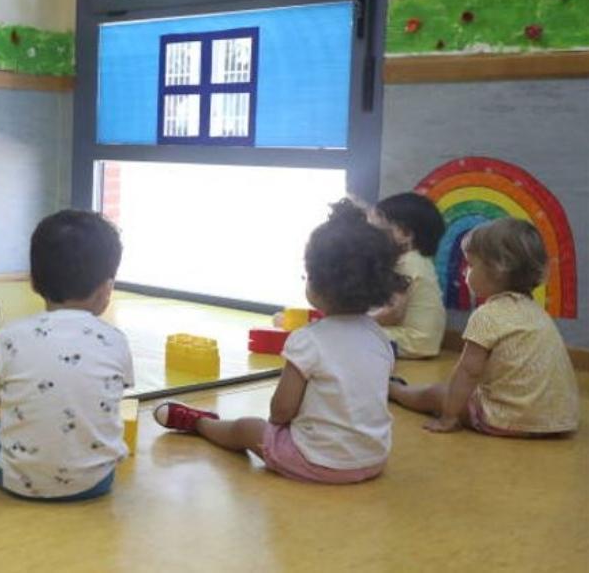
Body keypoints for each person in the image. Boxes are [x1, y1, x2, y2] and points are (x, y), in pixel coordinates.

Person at [154, 200, 405, 484]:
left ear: (317, 284)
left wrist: (283, 429)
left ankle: (200, 423)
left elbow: (281, 411)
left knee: (248, 428)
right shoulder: (379, 337)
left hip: (318, 462)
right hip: (372, 460)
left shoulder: (309, 340)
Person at [0, 209, 133, 500]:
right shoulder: (117, 340)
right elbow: (111, 403)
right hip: (98, 481)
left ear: (33, 282)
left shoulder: (10, 336)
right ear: (107, 289)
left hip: (16, 480)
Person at [389, 218, 579, 436]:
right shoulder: (538, 313)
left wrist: (449, 416)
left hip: (506, 419)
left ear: (497, 269)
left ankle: (394, 390)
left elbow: (468, 371)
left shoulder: (488, 315)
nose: (464, 273)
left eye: (470, 265)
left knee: (437, 393)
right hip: (559, 420)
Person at [370, 192, 447, 358]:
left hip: (413, 342)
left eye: (378, 231)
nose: (371, 239)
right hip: (421, 341)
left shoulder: (407, 264)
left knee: (347, 335)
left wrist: (356, 322)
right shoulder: (418, 261)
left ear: (406, 235)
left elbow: (392, 313)